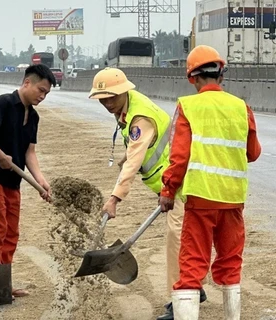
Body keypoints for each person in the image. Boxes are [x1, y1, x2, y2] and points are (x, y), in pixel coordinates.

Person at [88, 67, 207, 319]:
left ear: (124, 91)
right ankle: (194, 286)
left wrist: (114, 199)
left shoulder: (140, 117)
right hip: (168, 183)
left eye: (111, 97)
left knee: (177, 240)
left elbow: (134, 161)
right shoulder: (126, 110)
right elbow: (137, 151)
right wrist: (126, 156)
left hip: (180, 183)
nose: (107, 103)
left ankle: (181, 300)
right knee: (187, 237)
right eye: (102, 99)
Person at [159, 45, 261, 319]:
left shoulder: (188, 106)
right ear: (221, 76)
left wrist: (168, 190)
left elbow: (178, 158)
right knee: (230, 263)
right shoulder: (242, 107)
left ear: (192, 78)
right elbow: (253, 153)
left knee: (192, 265)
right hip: (233, 201)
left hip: (201, 201)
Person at [0, 64, 55, 298]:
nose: (42, 96)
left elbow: (30, 152)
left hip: (13, 182)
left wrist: (41, 181)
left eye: (46, 94)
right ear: (27, 82)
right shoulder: (3, 104)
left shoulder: (34, 116)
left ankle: (5, 284)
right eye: (40, 90)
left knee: (11, 233)